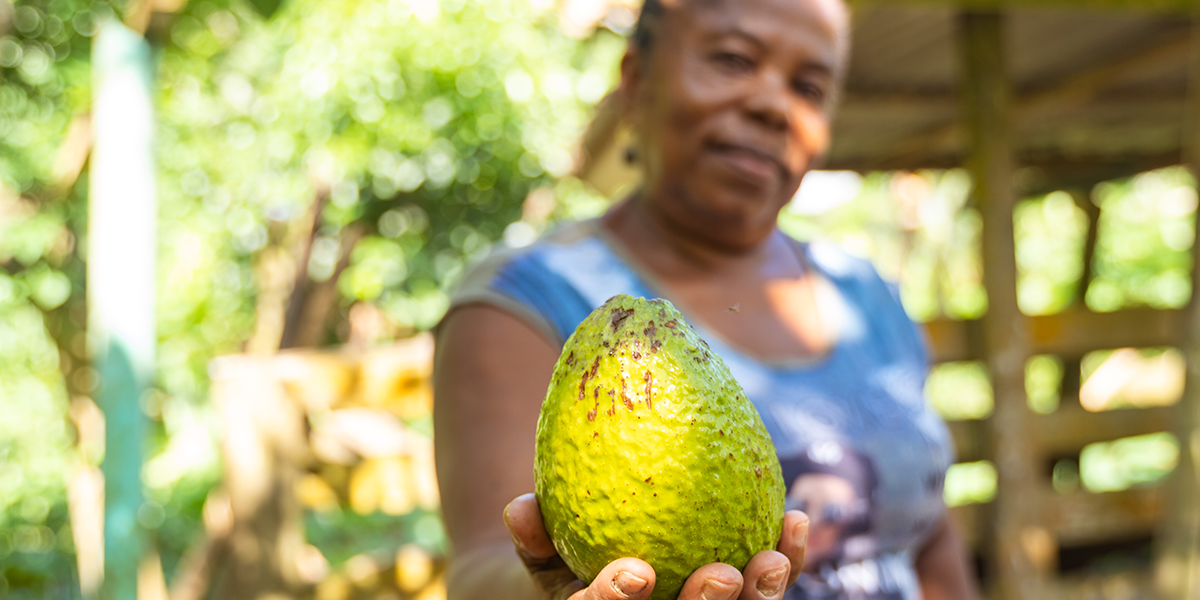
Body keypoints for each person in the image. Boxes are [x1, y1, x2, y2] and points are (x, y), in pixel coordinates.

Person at [432, 0, 979, 597]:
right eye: (734, 59)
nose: (774, 105)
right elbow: (484, 563)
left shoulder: (867, 293)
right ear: (637, 82)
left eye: (809, 86)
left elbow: (930, 539)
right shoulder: (523, 300)